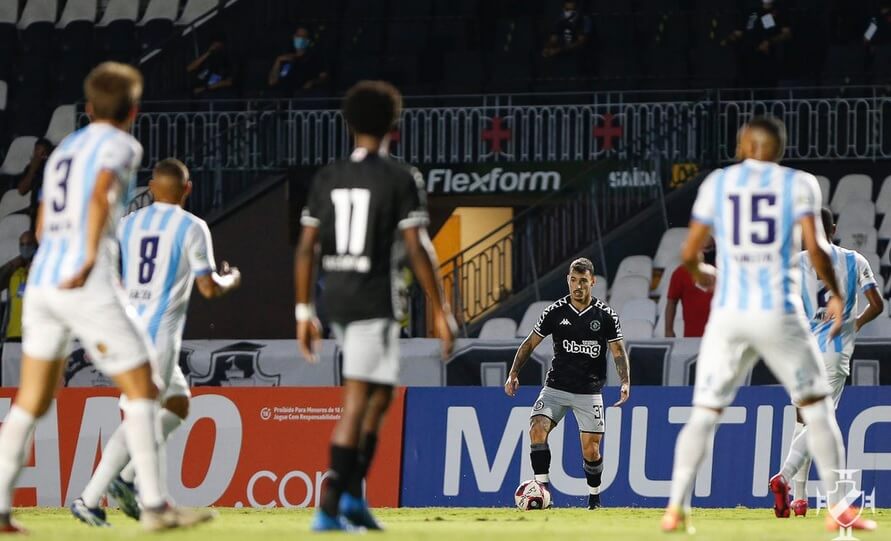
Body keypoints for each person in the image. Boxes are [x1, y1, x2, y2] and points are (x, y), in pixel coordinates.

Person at [0, 62, 212, 533]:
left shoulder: (62, 151)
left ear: (89, 107)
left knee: (30, 401)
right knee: (144, 390)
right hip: (85, 279)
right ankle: (155, 507)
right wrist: (85, 258)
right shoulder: (121, 144)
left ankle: (0, 510)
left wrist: (54, 256)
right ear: (133, 110)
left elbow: (39, 218)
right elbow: (100, 196)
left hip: (42, 282)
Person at [660, 116, 876, 533]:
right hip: (779, 311)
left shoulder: (717, 184)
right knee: (818, 412)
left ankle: (675, 507)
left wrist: (702, 271)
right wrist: (833, 293)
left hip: (733, 310)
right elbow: (816, 250)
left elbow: (690, 253)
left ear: (742, 146)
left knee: (705, 411)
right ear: (780, 149)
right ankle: (838, 508)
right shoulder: (801, 184)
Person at [295, 80, 456, 531]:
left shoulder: (327, 176)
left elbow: (306, 247)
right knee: (359, 401)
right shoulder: (400, 177)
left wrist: (304, 310)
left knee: (380, 397)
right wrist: (441, 309)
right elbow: (418, 245)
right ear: (394, 124)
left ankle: (349, 499)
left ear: (348, 124)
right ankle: (329, 507)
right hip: (374, 298)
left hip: (338, 295)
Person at [70, 158, 241, 526]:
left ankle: (127, 478)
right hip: (157, 338)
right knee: (140, 415)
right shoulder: (193, 226)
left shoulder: (129, 223)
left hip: (130, 328)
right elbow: (208, 287)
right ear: (188, 189)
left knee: (178, 405)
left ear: (151, 187)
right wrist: (232, 279)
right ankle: (90, 497)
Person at [771, 207, 884, 517]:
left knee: (802, 420)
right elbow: (878, 304)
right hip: (835, 350)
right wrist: (856, 323)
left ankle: (800, 498)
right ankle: (784, 476)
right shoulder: (855, 260)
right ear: (833, 228)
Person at [505, 258, 630, 510]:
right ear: (568, 281)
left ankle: (594, 499)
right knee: (536, 428)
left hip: (589, 391)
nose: (578, 286)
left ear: (593, 282)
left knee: (591, 450)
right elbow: (529, 343)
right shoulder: (555, 312)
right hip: (555, 388)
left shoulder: (606, 316)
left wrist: (625, 381)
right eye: (573, 280)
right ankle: (544, 492)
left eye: (583, 281)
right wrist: (513, 373)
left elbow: (617, 351)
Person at [723, 0, 791, 87]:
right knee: (747, 85)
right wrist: (727, 40)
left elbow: (787, 34)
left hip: (768, 59)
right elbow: (739, 32)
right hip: (747, 58)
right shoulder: (751, 12)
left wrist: (769, 42)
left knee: (766, 87)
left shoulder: (780, 12)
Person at [664, 237, 715, 338]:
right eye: (706, 249)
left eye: (712, 248)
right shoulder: (681, 273)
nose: (710, 251)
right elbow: (672, 302)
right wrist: (668, 330)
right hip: (693, 337)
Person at [267, 26, 330, 96]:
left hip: (304, 98)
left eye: (304, 36)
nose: (300, 39)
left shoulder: (316, 58)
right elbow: (272, 81)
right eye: (298, 36)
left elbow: (324, 78)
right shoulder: (285, 58)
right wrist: (278, 61)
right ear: (294, 37)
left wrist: (312, 82)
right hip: (284, 99)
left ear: (308, 40)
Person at [0, 231, 37, 339]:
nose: (25, 248)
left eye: (29, 244)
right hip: (13, 334)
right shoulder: (15, 273)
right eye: (22, 245)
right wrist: (10, 265)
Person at [14, 138, 52, 229]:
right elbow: (22, 191)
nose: (38, 156)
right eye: (36, 152)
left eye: (42, 153)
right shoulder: (31, 168)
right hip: (34, 211)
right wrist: (32, 170)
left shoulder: (53, 166)